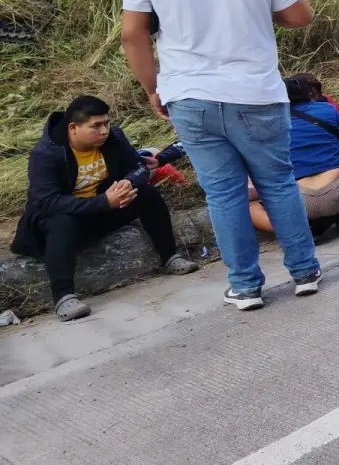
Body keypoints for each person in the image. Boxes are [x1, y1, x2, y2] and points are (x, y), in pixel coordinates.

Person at [121, 0, 322, 312]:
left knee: (224, 194)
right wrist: (253, 11)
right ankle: (304, 272)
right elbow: (300, 15)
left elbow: (132, 34)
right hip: (256, 94)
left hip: (189, 96)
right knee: (277, 183)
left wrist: (153, 87)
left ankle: (246, 287)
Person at [10, 96, 199, 322]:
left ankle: (170, 257)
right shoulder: (47, 154)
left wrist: (129, 182)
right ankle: (64, 297)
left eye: (106, 123)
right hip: (64, 222)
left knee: (146, 194)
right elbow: (46, 202)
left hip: (102, 209)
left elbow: (139, 167)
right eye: (96, 126)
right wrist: (103, 202)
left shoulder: (113, 137)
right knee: (62, 221)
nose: (104, 131)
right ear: (73, 128)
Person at [248, 76, 339, 239]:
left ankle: (295, 230)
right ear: (310, 93)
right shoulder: (326, 110)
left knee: (251, 208)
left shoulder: (268, 125)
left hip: (299, 203)